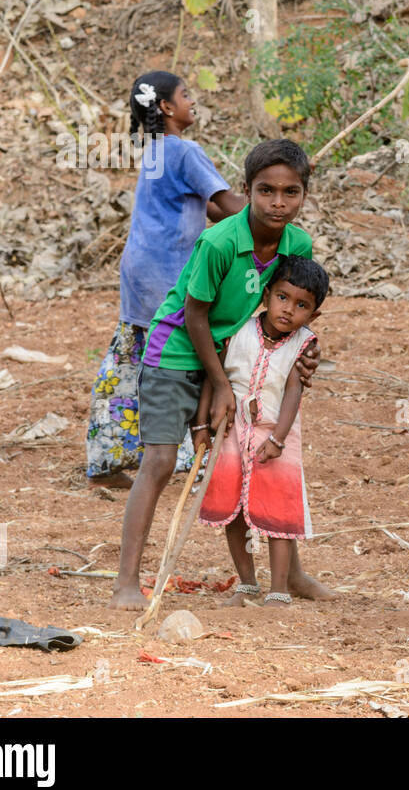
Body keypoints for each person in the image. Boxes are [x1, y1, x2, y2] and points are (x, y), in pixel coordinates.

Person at [107, 139, 331, 610]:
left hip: (236, 360)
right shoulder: (219, 241)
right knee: (162, 462)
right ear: (246, 190)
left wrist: (302, 354)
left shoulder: (298, 244)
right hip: (178, 354)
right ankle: (126, 580)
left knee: (261, 460)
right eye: (266, 191)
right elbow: (195, 314)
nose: (278, 203)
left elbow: (295, 307)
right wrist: (220, 383)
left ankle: (290, 575)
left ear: (305, 194)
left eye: (291, 192)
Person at [86, 71, 245, 490]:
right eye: (185, 95)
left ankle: (108, 456)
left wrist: (254, 200)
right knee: (188, 354)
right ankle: (195, 457)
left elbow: (206, 208)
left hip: (139, 269)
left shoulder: (155, 150)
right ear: (166, 108)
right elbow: (230, 207)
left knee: (132, 356)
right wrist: (280, 196)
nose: (194, 101)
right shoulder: (186, 151)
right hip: (168, 272)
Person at [197, 256, 329, 609]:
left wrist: (278, 439)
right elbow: (218, 377)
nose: (288, 310)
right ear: (267, 294)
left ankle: (280, 589)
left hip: (274, 437)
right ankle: (247, 584)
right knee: (234, 509)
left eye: (302, 306)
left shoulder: (303, 344)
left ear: (313, 315)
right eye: (282, 298)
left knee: (276, 512)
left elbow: (293, 392)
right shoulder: (239, 330)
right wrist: (203, 423)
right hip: (231, 431)